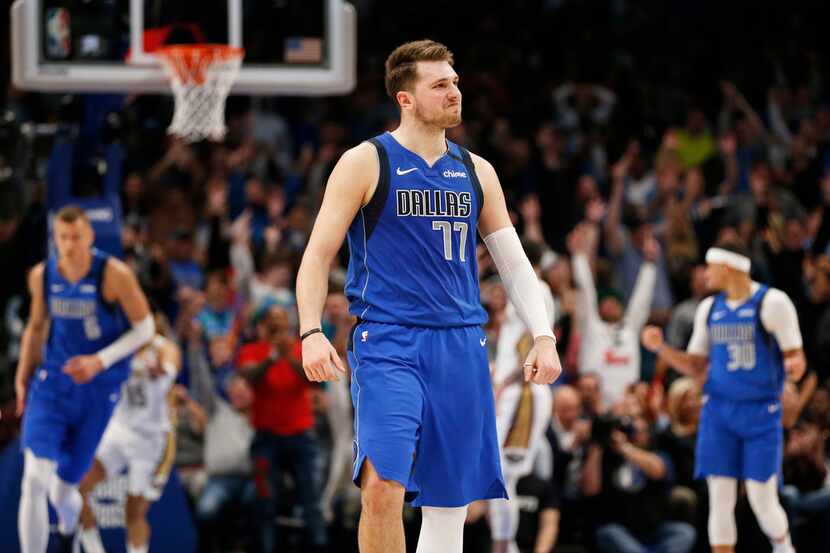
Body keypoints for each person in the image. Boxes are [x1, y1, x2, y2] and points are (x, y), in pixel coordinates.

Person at [296, 39, 563, 553]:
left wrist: (544, 335)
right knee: (381, 488)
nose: (455, 92)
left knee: (448, 506)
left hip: (461, 344)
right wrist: (311, 331)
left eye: (456, 82)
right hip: (389, 342)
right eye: (440, 84)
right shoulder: (366, 161)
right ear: (406, 98)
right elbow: (315, 256)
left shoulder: (477, 170)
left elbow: (513, 263)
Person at [642, 240, 806, 553]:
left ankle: (784, 547)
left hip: (760, 412)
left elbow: (795, 356)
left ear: (728, 267)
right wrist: (660, 348)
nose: (704, 275)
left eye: (710, 267)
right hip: (718, 412)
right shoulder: (709, 308)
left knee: (762, 499)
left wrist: (794, 367)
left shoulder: (772, 303)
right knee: (720, 496)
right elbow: (694, 366)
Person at [15, 205, 155, 553]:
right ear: (54, 239)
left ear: (90, 236)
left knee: (64, 490)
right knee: (33, 479)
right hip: (52, 385)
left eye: (76, 236)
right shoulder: (43, 275)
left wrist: (100, 360)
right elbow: (35, 328)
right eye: (63, 237)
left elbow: (146, 328)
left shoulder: (113, 274)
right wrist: (22, 376)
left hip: (98, 390)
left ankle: (67, 529)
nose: (69, 244)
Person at [77, 316, 181, 553]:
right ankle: (93, 548)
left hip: (151, 440)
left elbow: (170, 367)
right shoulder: (117, 347)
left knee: (133, 513)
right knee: (76, 488)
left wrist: (159, 369)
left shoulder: (163, 347)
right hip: (119, 430)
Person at [490, 240, 555, 553]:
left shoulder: (537, 289)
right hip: (513, 390)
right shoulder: (525, 289)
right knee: (498, 474)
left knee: (505, 474)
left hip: (524, 391)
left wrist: (506, 384)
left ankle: (505, 546)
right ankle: (502, 545)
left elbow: (533, 343)